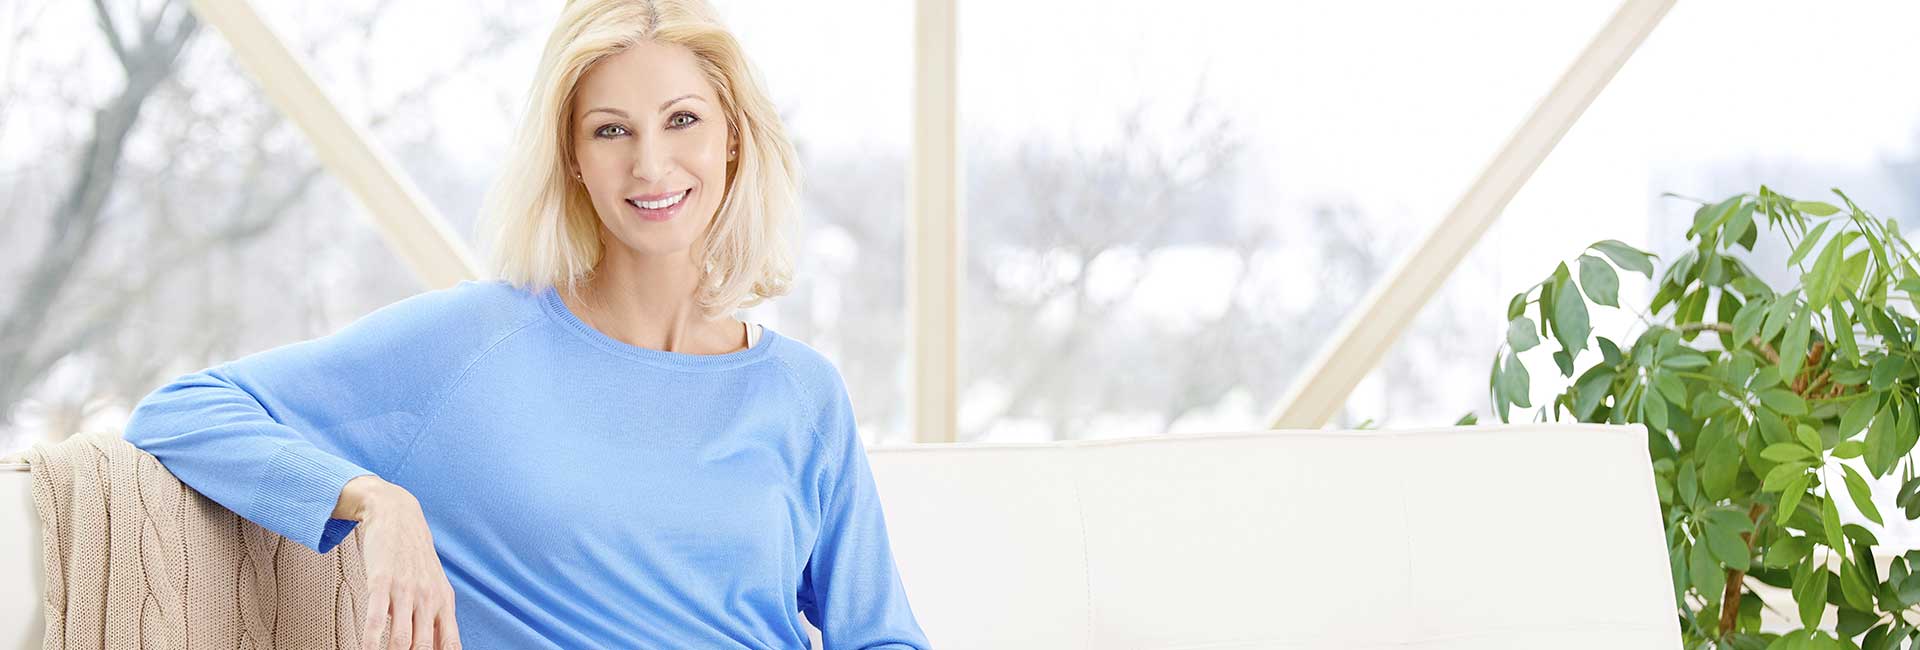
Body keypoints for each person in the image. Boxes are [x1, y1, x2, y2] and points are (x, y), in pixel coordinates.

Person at [120, 1, 931, 648]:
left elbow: (882, 636)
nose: (650, 165)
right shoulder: (474, 342)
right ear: (573, 157)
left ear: (732, 139)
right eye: (611, 130)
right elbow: (181, 412)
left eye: (682, 120)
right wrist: (376, 502)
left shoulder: (802, 394)